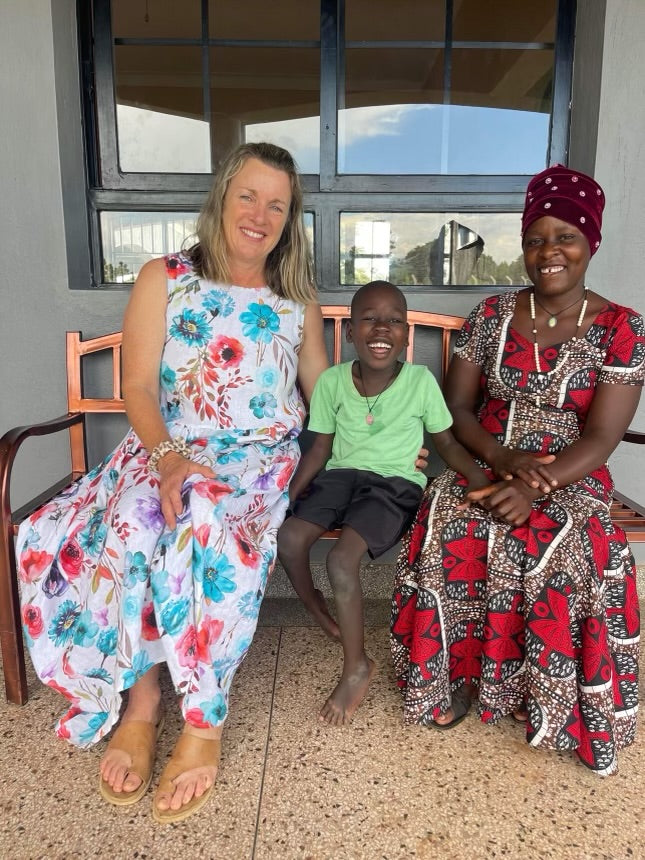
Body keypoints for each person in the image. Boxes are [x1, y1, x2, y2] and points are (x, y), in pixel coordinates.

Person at [16, 142, 329, 822]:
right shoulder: (165, 277)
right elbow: (135, 385)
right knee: (131, 521)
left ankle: (203, 719)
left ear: (289, 219)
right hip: (165, 449)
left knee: (209, 526)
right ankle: (143, 697)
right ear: (221, 197)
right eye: (248, 195)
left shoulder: (295, 297)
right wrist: (167, 458)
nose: (259, 214)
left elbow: (324, 397)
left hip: (254, 464)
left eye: (277, 204)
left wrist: (385, 440)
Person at [390, 164, 644, 775]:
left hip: (573, 470)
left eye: (566, 237)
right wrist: (502, 465)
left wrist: (539, 486)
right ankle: (447, 676)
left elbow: (604, 436)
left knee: (571, 543)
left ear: (591, 243)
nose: (549, 251)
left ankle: (550, 698)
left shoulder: (622, 328)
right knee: (451, 517)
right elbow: (455, 409)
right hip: (484, 454)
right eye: (536, 239)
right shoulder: (492, 313)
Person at [277, 280, 490, 726]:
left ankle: (356, 667)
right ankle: (315, 605)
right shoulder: (334, 380)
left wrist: (477, 477)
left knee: (340, 560)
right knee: (291, 537)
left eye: (394, 320)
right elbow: (318, 449)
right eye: (369, 318)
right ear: (351, 331)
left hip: (393, 485)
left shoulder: (419, 381)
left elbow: (446, 442)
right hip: (340, 477)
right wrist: (285, 499)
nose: (382, 328)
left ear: (406, 334)